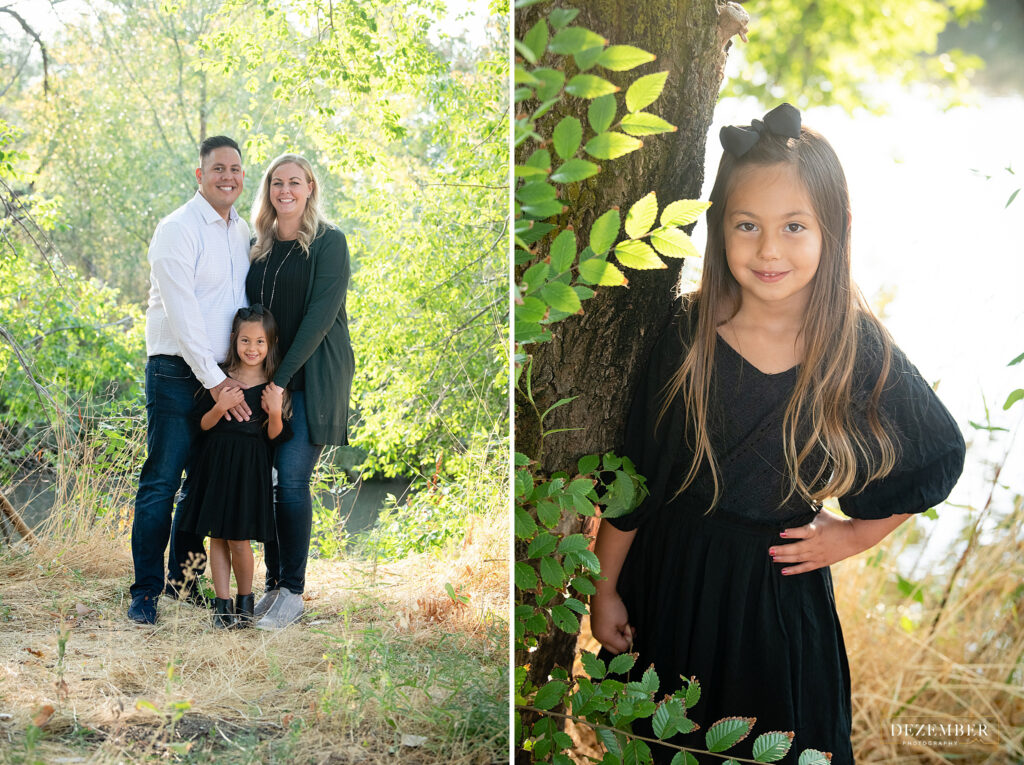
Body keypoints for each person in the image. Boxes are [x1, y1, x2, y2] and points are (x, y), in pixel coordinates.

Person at [589, 104, 966, 764]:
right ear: (719, 229)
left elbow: (938, 453)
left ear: (835, 229)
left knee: (784, 749)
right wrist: (604, 587)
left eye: (794, 226)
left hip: (779, 599)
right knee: (669, 743)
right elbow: (635, 478)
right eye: (747, 226)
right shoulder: (689, 335)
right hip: (677, 583)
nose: (769, 249)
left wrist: (853, 534)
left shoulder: (853, 346)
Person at [128, 136, 252, 625]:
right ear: (200, 175)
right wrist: (217, 383)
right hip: (177, 372)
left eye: (236, 169)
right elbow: (182, 316)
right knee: (161, 480)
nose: (228, 176)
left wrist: (236, 377)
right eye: (218, 168)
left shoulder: (242, 231)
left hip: (223, 374)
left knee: (200, 487)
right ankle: (145, 594)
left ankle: (184, 584)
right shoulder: (177, 229)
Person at [244, 153, 354, 630]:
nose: (284, 190)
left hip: (311, 377)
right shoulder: (259, 246)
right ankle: (272, 589)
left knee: (289, 479)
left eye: (295, 182)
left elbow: (319, 318)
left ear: (310, 187)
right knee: (265, 485)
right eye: (276, 183)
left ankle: (293, 591)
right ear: (268, 190)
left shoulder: (329, 243)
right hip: (266, 379)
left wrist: (281, 382)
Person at [175, 306, 291, 628]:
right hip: (217, 468)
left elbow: (275, 438)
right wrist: (220, 405)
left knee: (239, 540)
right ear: (233, 340)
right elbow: (202, 424)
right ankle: (221, 605)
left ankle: (245, 604)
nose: (251, 349)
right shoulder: (219, 377)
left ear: (271, 344)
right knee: (217, 538)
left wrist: (276, 411)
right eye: (244, 341)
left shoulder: (273, 386)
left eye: (259, 342)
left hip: (249, 471)